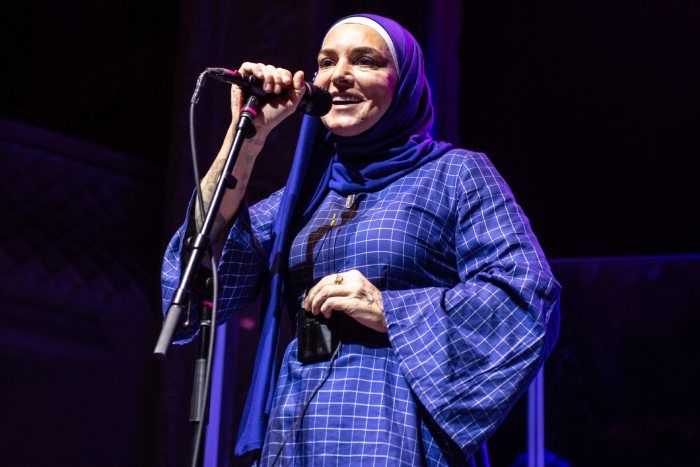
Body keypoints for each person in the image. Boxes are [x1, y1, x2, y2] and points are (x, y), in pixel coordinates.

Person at [162, 13, 561, 465]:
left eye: (365, 61)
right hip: (296, 428)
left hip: (394, 424)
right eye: (326, 62)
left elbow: (526, 297)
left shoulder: (456, 175)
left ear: (404, 82)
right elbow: (201, 281)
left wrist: (390, 310)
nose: (339, 76)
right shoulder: (302, 196)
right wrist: (247, 138)